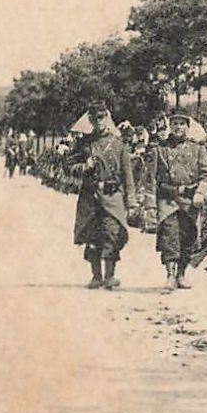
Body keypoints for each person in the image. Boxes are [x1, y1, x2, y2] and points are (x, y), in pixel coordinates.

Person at [70, 99, 138, 289]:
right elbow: (69, 166)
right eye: (94, 118)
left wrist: (131, 202)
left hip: (112, 195)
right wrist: (84, 166)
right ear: (90, 120)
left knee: (112, 233)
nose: (98, 121)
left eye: (101, 117)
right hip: (90, 196)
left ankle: (110, 275)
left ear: (107, 118)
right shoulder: (85, 143)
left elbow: (128, 175)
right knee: (92, 236)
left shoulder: (119, 145)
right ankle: (96, 276)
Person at [150, 110, 207, 289]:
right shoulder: (160, 149)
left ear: (188, 127)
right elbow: (151, 177)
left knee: (188, 237)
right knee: (169, 236)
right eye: (175, 123)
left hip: (190, 201)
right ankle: (170, 274)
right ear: (170, 126)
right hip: (167, 199)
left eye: (181, 124)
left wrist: (201, 193)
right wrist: (149, 205)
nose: (178, 127)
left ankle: (181, 274)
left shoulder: (198, 149)